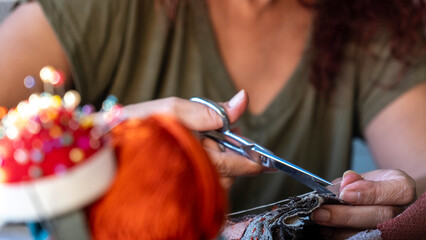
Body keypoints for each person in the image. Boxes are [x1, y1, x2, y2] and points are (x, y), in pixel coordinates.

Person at [0, 0, 425, 238]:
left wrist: (406, 202)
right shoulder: (99, 9)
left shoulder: (373, 26)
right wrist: (105, 142)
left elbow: (420, 174)